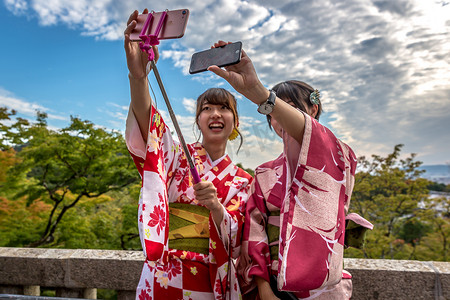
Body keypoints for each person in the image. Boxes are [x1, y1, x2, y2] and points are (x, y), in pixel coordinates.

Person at [208, 41, 372, 299]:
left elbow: (312, 136)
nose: (279, 119)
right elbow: (254, 232)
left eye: (290, 109)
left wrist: (259, 93)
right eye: (273, 113)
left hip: (323, 287)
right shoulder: (263, 173)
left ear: (313, 110)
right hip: (273, 284)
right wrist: (264, 288)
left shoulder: (337, 154)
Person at [124, 12, 253, 300]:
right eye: (207, 108)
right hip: (165, 273)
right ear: (198, 120)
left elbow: (239, 245)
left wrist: (217, 208)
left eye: (224, 108)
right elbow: (150, 130)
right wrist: (138, 75)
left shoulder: (244, 181)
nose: (215, 113)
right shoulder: (179, 156)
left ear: (235, 122)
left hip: (209, 278)